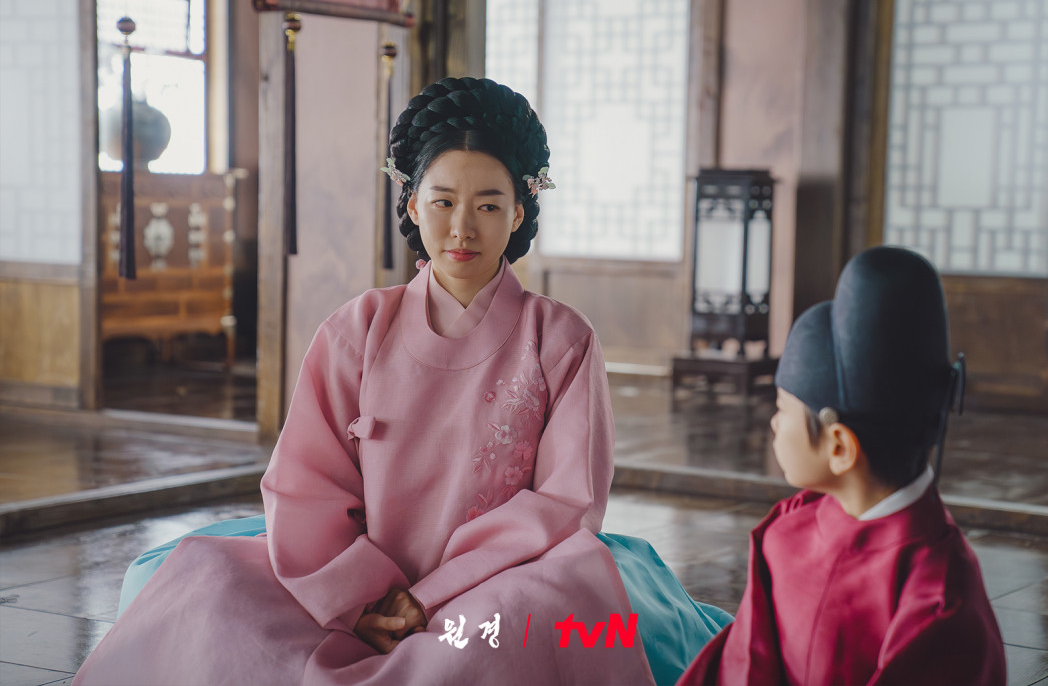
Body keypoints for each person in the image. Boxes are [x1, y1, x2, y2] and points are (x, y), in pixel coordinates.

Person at [74, 77, 729, 686]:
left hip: (495, 582)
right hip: (353, 577)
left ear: (520, 212)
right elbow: (306, 480)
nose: (462, 227)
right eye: (442, 202)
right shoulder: (357, 328)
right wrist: (358, 596)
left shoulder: (560, 338)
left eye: (489, 204)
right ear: (412, 203)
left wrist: (432, 594)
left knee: (539, 614)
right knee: (209, 581)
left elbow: (565, 502)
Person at [678, 246, 1006, 686]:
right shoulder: (788, 529)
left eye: (782, 409)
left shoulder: (938, 598)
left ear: (839, 447)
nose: (773, 423)